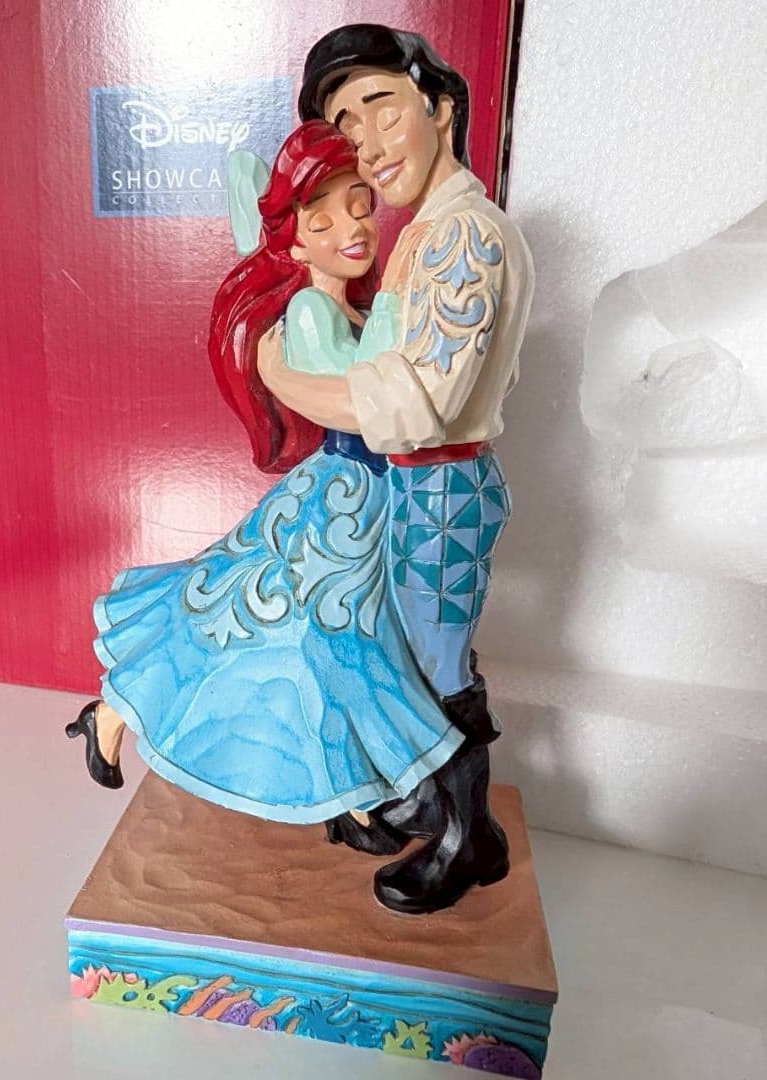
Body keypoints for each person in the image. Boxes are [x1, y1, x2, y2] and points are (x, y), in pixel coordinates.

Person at [66, 120, 465, 834]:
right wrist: (403, 294)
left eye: (360, 207)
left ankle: (349, 791)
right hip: (342, 499)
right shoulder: (308, 312)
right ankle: (123, 713)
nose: (353, 228)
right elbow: (372, 393)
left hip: (367, 498)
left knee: (308, 637)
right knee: (302, 633)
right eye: (323, 219)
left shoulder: (349, 306)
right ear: (295, 242)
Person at [257, 25, 536, 914]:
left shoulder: (463, 237)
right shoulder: (426, 234)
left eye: (381, 107)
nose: (369, 143)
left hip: (442, 481)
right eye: (347, 122)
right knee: (408, 654)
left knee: (436, 665)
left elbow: (415, 402)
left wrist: (281, 378)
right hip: (417, 484)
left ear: (441, 106)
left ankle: (465, 839)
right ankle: (431, 808)